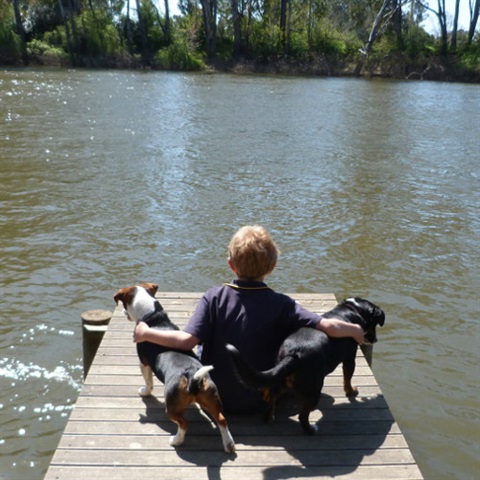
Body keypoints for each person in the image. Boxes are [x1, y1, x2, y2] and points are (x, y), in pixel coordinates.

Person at [134, 225, 364, 413]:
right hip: (262, 397)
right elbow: (329, 326)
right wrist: (355, 329)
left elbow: (186, 341)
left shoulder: (213, 297)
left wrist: (146, 333)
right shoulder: (284, 304)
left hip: (214, 396)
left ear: (231, 265)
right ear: (272, 267)